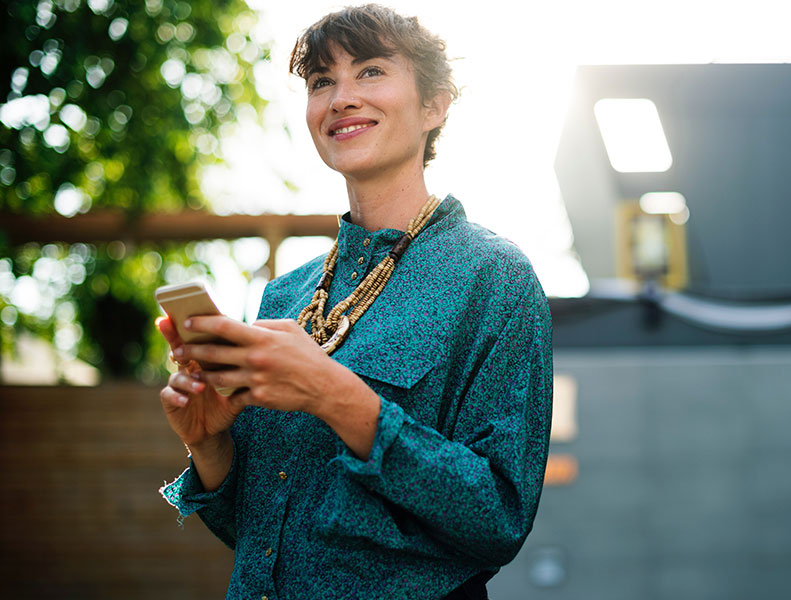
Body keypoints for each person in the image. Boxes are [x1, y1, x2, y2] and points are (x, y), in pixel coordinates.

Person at [157, 5, 552, 599]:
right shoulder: (284, 295)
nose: (341, 97)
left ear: (434, 105)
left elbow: (499, 518)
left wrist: (335, 395)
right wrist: (209, 444)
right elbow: (258, 532)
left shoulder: (495, 278)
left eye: (369, 71)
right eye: (321, 81)